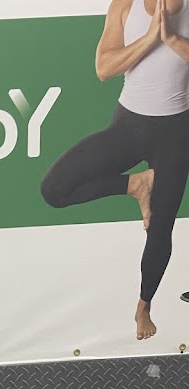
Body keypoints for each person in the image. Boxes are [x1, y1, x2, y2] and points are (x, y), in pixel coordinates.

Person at [41, 0, 189, 340]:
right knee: (54, 190)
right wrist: (149, 39)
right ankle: (135, 184)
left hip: (176, 135)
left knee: (160, 228)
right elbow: (104, 67)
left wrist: (172, 39)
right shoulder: (124, 5)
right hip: (128, 128)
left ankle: (144, 306)